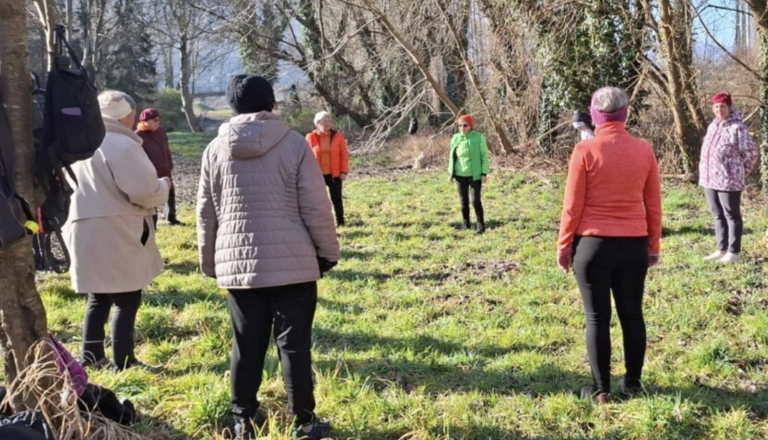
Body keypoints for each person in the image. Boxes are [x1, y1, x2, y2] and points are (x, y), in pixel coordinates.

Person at [197, 74, 340, 440]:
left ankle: (243, 419)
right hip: (294, 264)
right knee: (294, 346)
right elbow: (316, 205)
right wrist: (328, 252)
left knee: (246, 344)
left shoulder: (214, 149)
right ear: (272, 102)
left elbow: (206, 212)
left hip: (237, 266)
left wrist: (209, 262)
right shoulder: (294, 144)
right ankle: (304, 422)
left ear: (232, 106)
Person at [556, 87, 662, 404]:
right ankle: (633, 384)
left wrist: (564, 247)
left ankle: (601, 389)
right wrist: (653, 246)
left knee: (596, 318)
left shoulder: (585, 151)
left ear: (595, 115)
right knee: (632, 315)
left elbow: (571, 207)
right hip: (633, 245)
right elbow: (654, 206)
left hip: (592, 246)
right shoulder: (644, 150)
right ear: (625, 114)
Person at [63, 90, 171, 371]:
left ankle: (91, 357)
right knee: (127, 296)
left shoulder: (79, 144)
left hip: (81, 227)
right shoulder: (121, 144)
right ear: (125, 115)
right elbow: (143, 191)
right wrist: (164, 186)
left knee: (97, 296)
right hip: (117, 230)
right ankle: (124, 362)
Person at [699, 92, 757, 264]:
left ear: (729, 107)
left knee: (732, 215)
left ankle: (734, 252)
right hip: (709, 179)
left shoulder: (737, 128)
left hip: (729, 181)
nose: (719, 110)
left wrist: (738, 172)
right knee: (717, 214)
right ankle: (721, 249)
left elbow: (751, 154)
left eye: (722, 106)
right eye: (716, 107)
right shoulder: (712, 126)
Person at [136, 108, 183, 226]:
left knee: (170, 194)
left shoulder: (161, 131)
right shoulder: (137, 136)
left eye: (158, 120)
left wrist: (170, 164)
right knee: (152, 199)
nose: (158, 122)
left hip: (165, 168)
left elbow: (166, 149)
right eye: (155, 120)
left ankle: (171, 218)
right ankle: (153, 223)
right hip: (150, 172)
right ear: (145, 121)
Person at [305, 111, 350, 227]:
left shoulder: (338, 136)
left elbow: (344, 154)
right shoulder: (310, 137)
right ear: (317, 123)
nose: (327, 123)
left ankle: (340, 222)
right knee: (318, 201)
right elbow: (305, 157)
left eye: (329, 120)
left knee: (337, 199)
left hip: (335, 174)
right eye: (324, 121)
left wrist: (344, 171)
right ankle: (321, 223)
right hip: (317, 175)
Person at [448, 114, 490, 234]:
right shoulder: (455, 138)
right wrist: (450, 173)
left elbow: (484, 156)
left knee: (475, 200)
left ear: (470, 126)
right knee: (463, 201)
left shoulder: (478, 137)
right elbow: (452, 157)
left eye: (465, 125)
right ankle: (466, 224)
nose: (462, 128)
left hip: (475, 174)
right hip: (460, 175)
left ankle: (480, 225)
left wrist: (484, 173)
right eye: (460, 125)